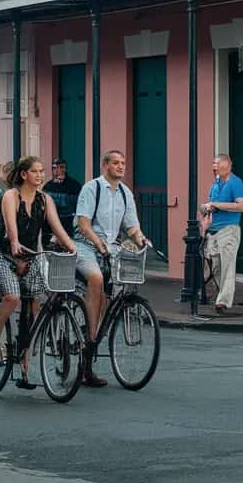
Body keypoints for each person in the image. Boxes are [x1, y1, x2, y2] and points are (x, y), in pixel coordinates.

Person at [0, 156, 78, 385]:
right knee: (12, 297)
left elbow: (58, 228)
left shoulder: (45, 200)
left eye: (42, 171)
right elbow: (11, 228)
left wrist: (74, 249)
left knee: (36, 303)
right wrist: (14, 243)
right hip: (3, 252)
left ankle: (24, 358)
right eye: (35, 171)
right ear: (24, 174)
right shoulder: (10, 196)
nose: (40, 175)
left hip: (30, 255)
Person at [74, 149, 147, 387]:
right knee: (95, 278)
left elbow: (132, 226)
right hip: (86, 245)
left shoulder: (126, 193)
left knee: (114, 292)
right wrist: (99, 244)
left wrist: (141, 239)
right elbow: (83, 225)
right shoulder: (92, 188)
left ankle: (94, 337)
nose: (121, 167)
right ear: (105, 165)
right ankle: (90, 334)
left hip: (111, 248)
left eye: (123, 163)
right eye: (116, 163)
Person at [199, 153, 243, 314]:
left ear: (227, 165)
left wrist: (217, 205)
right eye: (213, 164)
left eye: (217, 164)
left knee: (227, 265)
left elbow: (241, 206)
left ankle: (223, 301)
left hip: (229, 230)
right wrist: (205, 209)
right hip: (213, 231)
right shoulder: (216, 184)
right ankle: (221, 296)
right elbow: (211, 204)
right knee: (216, 267)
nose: (214, 167)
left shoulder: (236, 183)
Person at [41, 157, 82, 246]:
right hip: (50, 225)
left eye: (61, 167)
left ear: (65, 169)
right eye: (55, 168)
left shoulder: (74, 186)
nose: (58, 170)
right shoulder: (47, 186)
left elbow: (78, 207)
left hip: (68, 224)